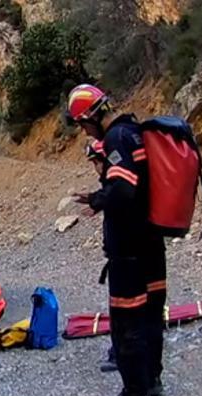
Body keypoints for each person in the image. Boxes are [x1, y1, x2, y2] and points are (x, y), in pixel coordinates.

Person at [66, 83, 167, 396]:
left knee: (126, 319)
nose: (84, 131)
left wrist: (97, 199)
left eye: (82, 124)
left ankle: (135, 393)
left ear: (91, 116)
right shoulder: (136, 131)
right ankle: (152, 379)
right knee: (151, 314)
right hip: (152, 243)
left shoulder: (116, 138)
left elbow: (123, 189)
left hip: (130, 250)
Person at [83, 140, 119, 373]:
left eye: (96, 161)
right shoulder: (116, 185)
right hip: (126, 255)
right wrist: (95, 201)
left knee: (124, 310)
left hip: (124, 257)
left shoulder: (119, 184)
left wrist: (96, 201)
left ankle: (122, 355)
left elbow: (116, 197)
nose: (95, 167)